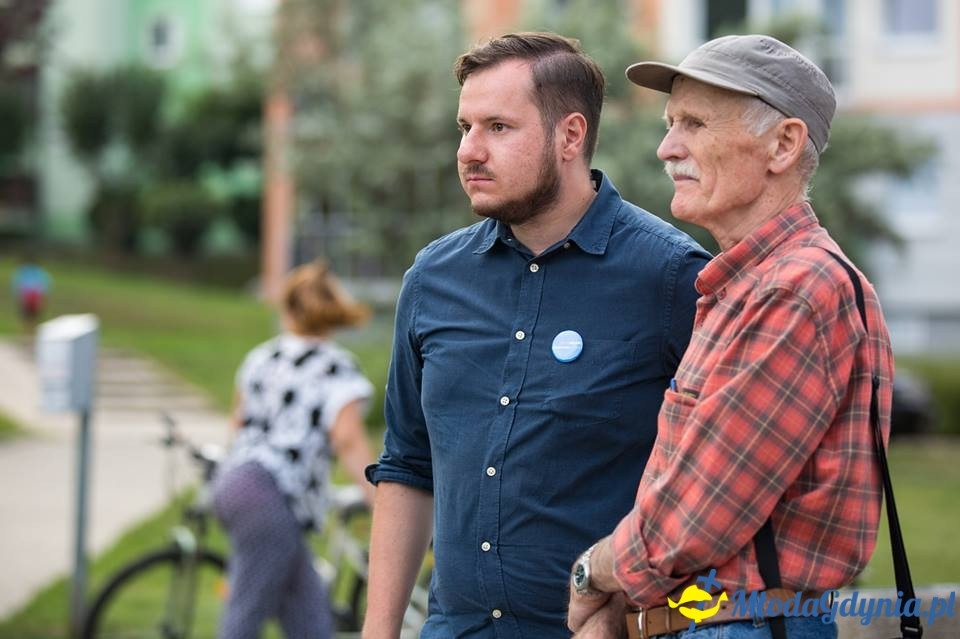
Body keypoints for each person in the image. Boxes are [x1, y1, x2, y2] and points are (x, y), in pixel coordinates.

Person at [363, 32, 711, 638]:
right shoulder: (432, 280)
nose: (469, 151)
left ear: (570, 136)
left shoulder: (674, 279)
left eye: (498, 127)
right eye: (464, 127)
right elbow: (407, 466)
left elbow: (711, 489)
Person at [567, 34, 895, 639]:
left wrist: (593, 572)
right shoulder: (752, 284)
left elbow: (696, 516)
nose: (667, 147)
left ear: (783, 145)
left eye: (694, 123)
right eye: (670, 123)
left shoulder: (796, 288)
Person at [212, 258, 378, 639]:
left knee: (310, 619)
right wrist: (380, 502)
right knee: (245, 614)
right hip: (268, 498)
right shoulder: (336, 367)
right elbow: (348, 439)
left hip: (236, 483)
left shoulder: (261, 358)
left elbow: (238, 425)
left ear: (287, 309)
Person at [11, 252, 51, 334]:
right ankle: (30, 334)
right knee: (33, 317)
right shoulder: (40, 272)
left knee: (25, 317)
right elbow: (45, 286)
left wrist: (18, 296)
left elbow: (17, 284)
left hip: (27, 297)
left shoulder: (23, 271)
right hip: (35, 298)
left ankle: (26, 333)